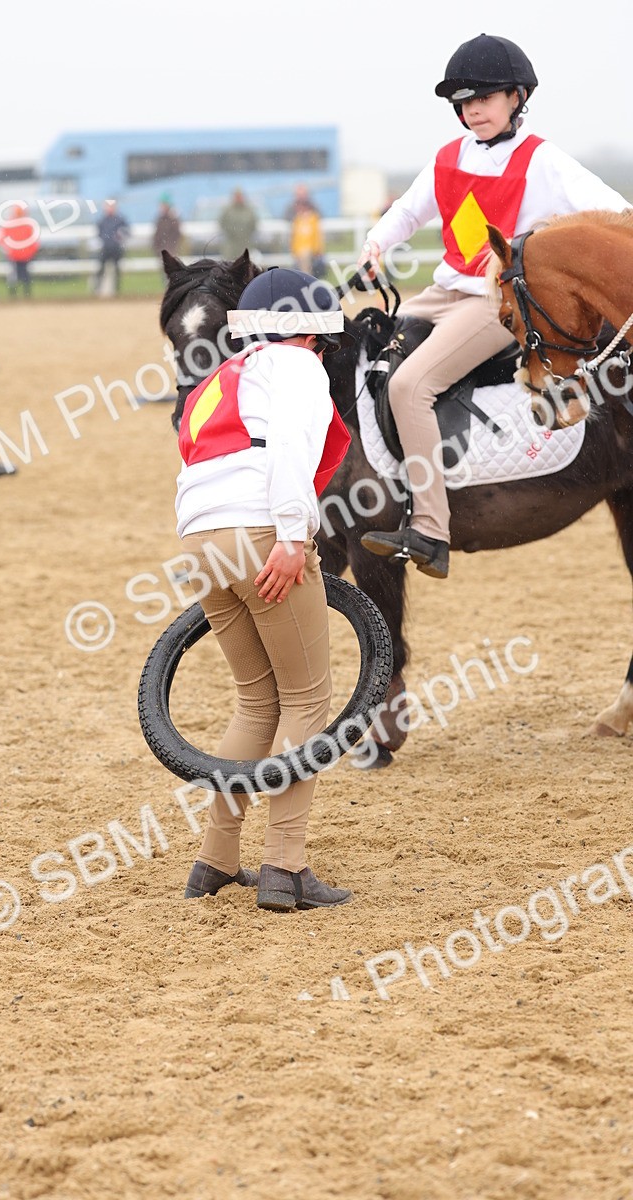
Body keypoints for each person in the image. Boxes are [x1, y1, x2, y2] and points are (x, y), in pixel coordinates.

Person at [356, 33, 630, 580]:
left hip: (500, 299)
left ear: (517, 97)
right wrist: (377, 244)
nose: (473, 109)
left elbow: (615, 213)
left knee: (412, 385)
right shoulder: (448, 158)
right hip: (443, 291)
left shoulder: (544, 161)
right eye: (464, 101)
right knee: (370, 358)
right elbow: (408, 212)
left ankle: (431, 529)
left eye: (484, 97)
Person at [175, 267, 353, 912]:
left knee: (256, 702)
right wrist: (291, 535)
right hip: (260, 530)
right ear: (308, 333)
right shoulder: (298, 367)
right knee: (308, 699)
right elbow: (284, 453)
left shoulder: (219, 380)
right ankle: (286, 866)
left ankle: (215, 859)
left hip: (199, 539)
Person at [0, 203, 40, 297]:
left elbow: (33, 241)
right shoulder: (22, 225)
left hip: (22, 256)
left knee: (21, 275)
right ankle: (19, 294)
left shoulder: (25, 225)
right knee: (18, 275)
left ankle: (21, 294)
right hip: (17, 256)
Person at [95, 198, 129, 296]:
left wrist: (119, 238)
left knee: (116, 270)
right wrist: (105, 240)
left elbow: (127, 231)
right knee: (100, 269)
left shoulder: (119, 220)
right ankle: (97, 290)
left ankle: (116, 291)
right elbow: (99, 232)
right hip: (105, 248)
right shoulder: (103, 220)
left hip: (116, 249)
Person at [218, 189, 258, 261]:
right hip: (231, 245)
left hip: (245, 244)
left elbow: (253, 224)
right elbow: (222, 223)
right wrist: (232, 232)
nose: (239, 198)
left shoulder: (249, 210)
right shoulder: (228, 210)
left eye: (240, 196)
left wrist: (245, 233)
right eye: (237, 196)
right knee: (230, 265)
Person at [290, 194, 325, 276]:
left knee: (305, 258)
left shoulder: (313, 219)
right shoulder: (297, 220)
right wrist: (294, 250)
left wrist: (318, 249)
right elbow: (295, 237)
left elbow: (317, 236)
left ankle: (306, 278)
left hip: (310, 250)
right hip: (299, 251)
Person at [152, 194, 181, 266]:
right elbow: (157, 236)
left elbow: (176, 235)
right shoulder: (160, 219)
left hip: (170, 251)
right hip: (162, 251)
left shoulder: (172, 219)